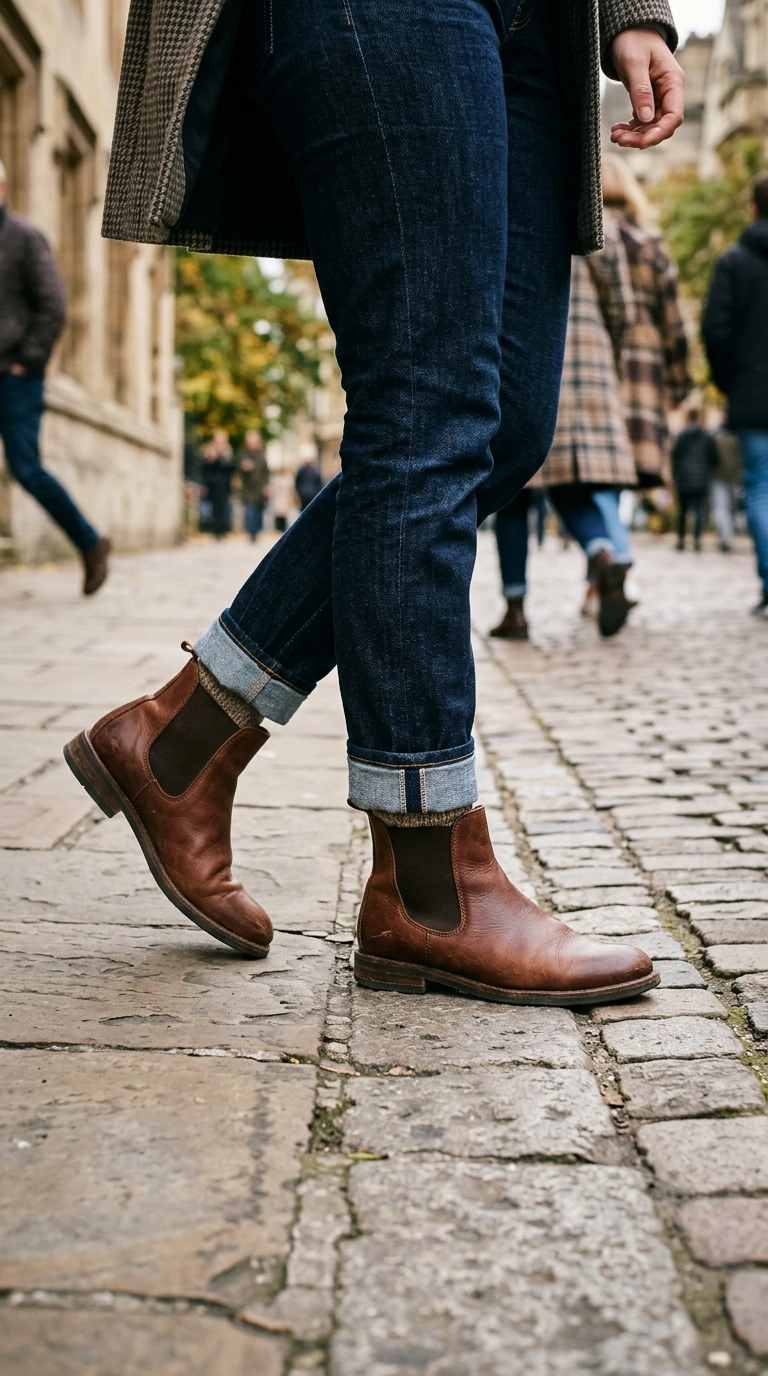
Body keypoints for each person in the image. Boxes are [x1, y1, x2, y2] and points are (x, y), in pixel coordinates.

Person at [64, 2, 683, 1007]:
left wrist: (635, 10)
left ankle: (178, 742)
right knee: (425, 397)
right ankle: (430, 885)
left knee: (507, 426)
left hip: (535, 23)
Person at [493, 214, 638, 641]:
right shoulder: (593, 214)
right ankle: (602, 557)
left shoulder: (503, 209)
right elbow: (623, 308)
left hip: (517, 360)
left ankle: (515, 610)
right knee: (572, 487)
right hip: (586, 368)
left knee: (513, 496)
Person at [0, 159, 110, 593]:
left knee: (26, 468)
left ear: (4, 186)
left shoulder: (24, 238)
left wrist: (26, 360)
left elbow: (53, 306)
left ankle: (90, 542)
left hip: (15, 375)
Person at [601, 154, 688, 488]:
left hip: (594, 356)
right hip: (643, 365)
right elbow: (674, 323)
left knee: (596, 467)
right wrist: (679, 384)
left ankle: (603, 535)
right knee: (629, 465)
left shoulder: (577, 238)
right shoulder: (650, 245)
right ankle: (610, 537)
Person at [703, 172, 768, 616]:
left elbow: (716, 330)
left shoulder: (735, 262)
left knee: (761, 489)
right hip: (749, 389)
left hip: (753, 392)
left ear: (752, 209)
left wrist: (730, 380)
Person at [672, 406, 718, 551]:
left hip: (684, 478)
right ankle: (697, 541)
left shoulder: (681, 435)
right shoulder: (706, 436)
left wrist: (675, 475)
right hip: (701, 478)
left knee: (682, 511)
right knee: (699, 511)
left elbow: (675, 456)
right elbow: (714, 458)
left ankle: (681, 541)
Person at [710, 426, 741, 553]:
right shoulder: (737, 439)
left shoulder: (714, 439)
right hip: (733, 478)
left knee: (721, 508)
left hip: (718, 478)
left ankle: (724, 538)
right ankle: (728, 537)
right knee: (730, 509)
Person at [236, 430, 270, 540]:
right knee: (250, 510)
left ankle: (256, 531)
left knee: (258, 510)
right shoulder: (243, 453)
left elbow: (266, 472)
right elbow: (237, 466)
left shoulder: (261, 454)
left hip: (259, 488)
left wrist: (266, 485)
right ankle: (251, 534)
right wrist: (243, 467)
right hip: (248, 488)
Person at [200, 431, 233, 539]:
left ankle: (222, 530)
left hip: (224, 485)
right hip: (212, 484)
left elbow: (230, 468)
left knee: (223, 508)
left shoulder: (228, 452)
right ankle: (214, 531)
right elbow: (205, 468)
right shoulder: (209, 451)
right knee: (213, 509)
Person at [294, 445, 324, 511]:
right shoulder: (302, 470)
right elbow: (297, 482)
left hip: (313, 495)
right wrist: (301, 492)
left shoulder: (315, 470)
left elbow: (319, 482)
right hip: (305, 496)